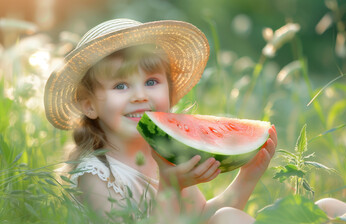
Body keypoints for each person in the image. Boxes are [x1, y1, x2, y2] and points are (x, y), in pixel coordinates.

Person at [44, 18, 277, 223]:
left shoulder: (165, 156)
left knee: (228, 217)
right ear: (89, 105)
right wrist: (171, 187)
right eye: (121, 85)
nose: (140, 96)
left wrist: (247, 176)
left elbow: (202, 218)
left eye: (151, 82)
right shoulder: (94, 175)